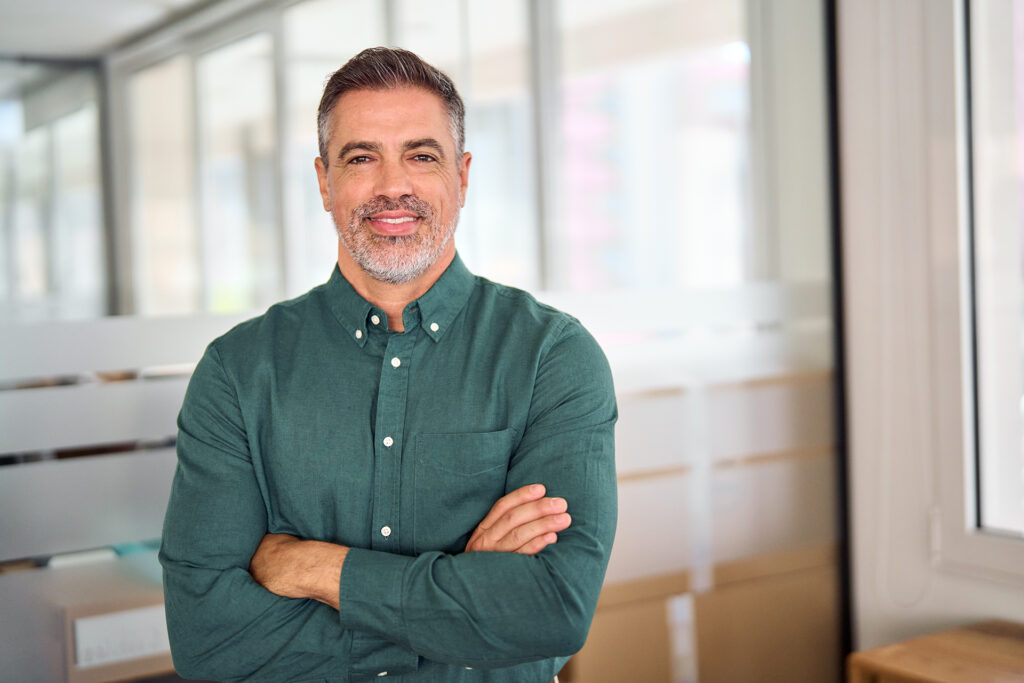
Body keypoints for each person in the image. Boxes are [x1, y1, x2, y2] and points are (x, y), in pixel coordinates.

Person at [160, 46, 617, 682]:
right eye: (361, 157)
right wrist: (459, 590)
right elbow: (208, 644)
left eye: (421, 156)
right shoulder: (239, 372)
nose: (391, 185)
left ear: (462, 176)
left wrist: (316, 570)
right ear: (324, 181)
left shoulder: (551, 358)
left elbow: (552, 611)